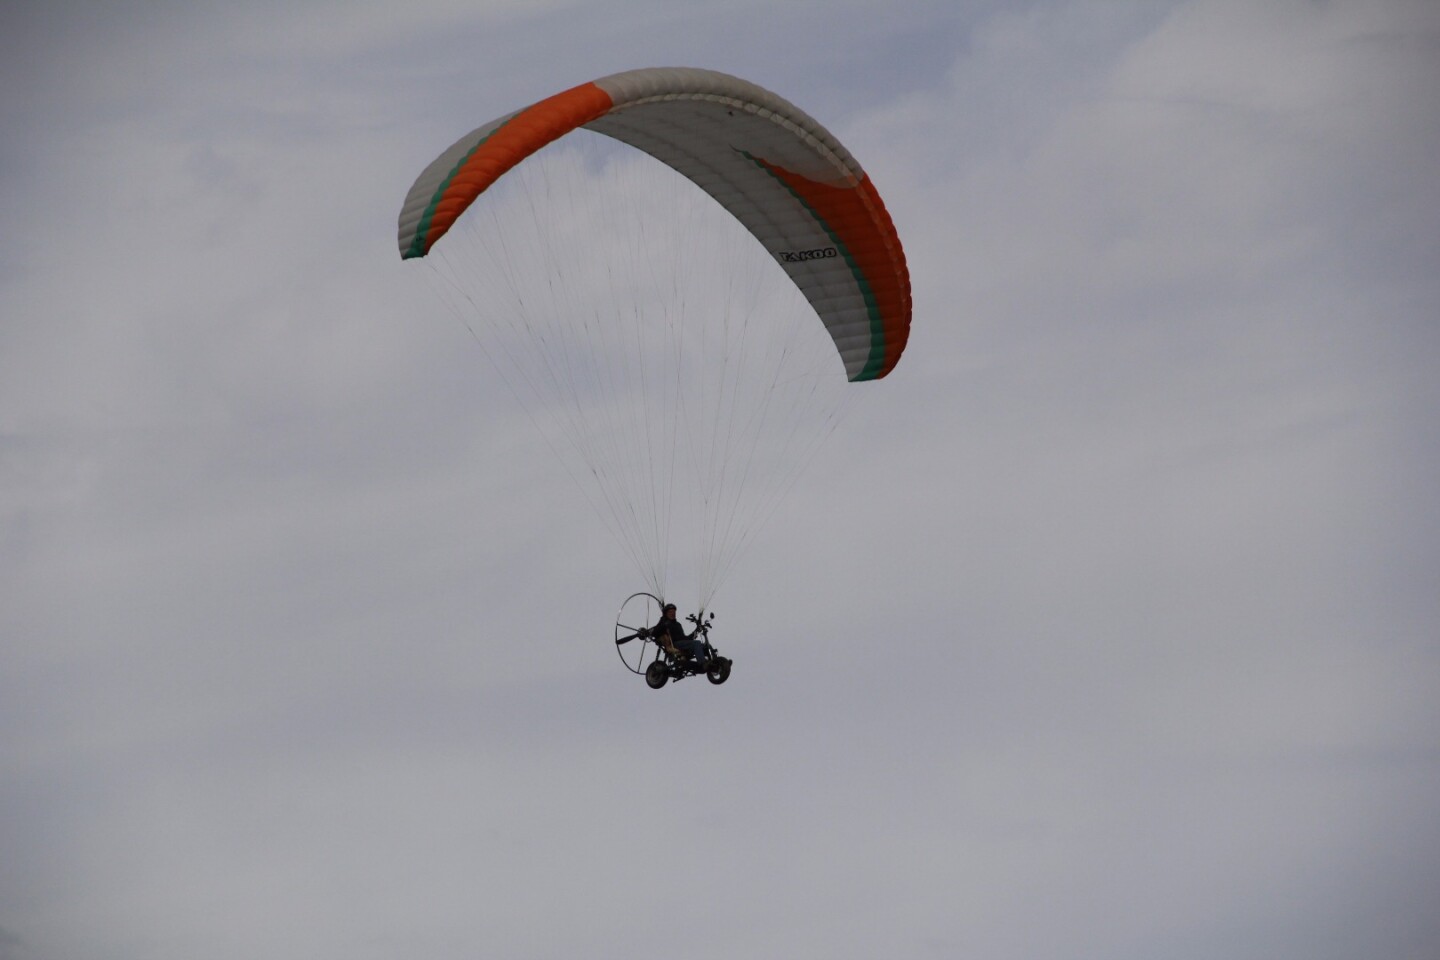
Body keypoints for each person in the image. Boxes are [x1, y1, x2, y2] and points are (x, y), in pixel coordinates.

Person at [645, 602, 708, 668]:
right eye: (670, 612)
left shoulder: (678, 625)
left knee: (703, 646)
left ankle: (711, 663)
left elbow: (684, 638)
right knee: (697, 643)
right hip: (674, 644)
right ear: (666, 614)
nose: (673, 613)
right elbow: (655, 632)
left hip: (682, 644)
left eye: (674, 612)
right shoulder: (663, 623)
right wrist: (664, 625)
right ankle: (702, 664)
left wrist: (695, 632)